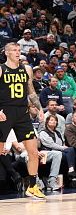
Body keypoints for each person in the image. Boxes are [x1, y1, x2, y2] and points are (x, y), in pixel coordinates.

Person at [0, 42, 46, 199]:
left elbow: (31, 91)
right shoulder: (1, 69)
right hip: (4, 113)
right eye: (14, 50)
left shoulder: (26, 69)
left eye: (19, 50)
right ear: (6, 53)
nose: (18, 52)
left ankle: (33, 187)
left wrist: (39, 108)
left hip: (22, 113)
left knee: (33, 151)